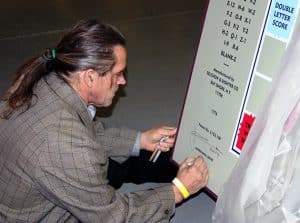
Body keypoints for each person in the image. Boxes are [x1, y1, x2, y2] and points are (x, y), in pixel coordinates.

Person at [0, 19, 208, 222]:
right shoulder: (66, 146)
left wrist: (141, 140)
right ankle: (187, 178)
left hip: (33, 183)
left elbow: (86, 134)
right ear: (89, 77)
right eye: (117, 74)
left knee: (122, 161)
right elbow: (115, 217)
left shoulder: (47, 78)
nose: (123, 81)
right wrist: (179, 191)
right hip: (38, 214)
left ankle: (183, 165)